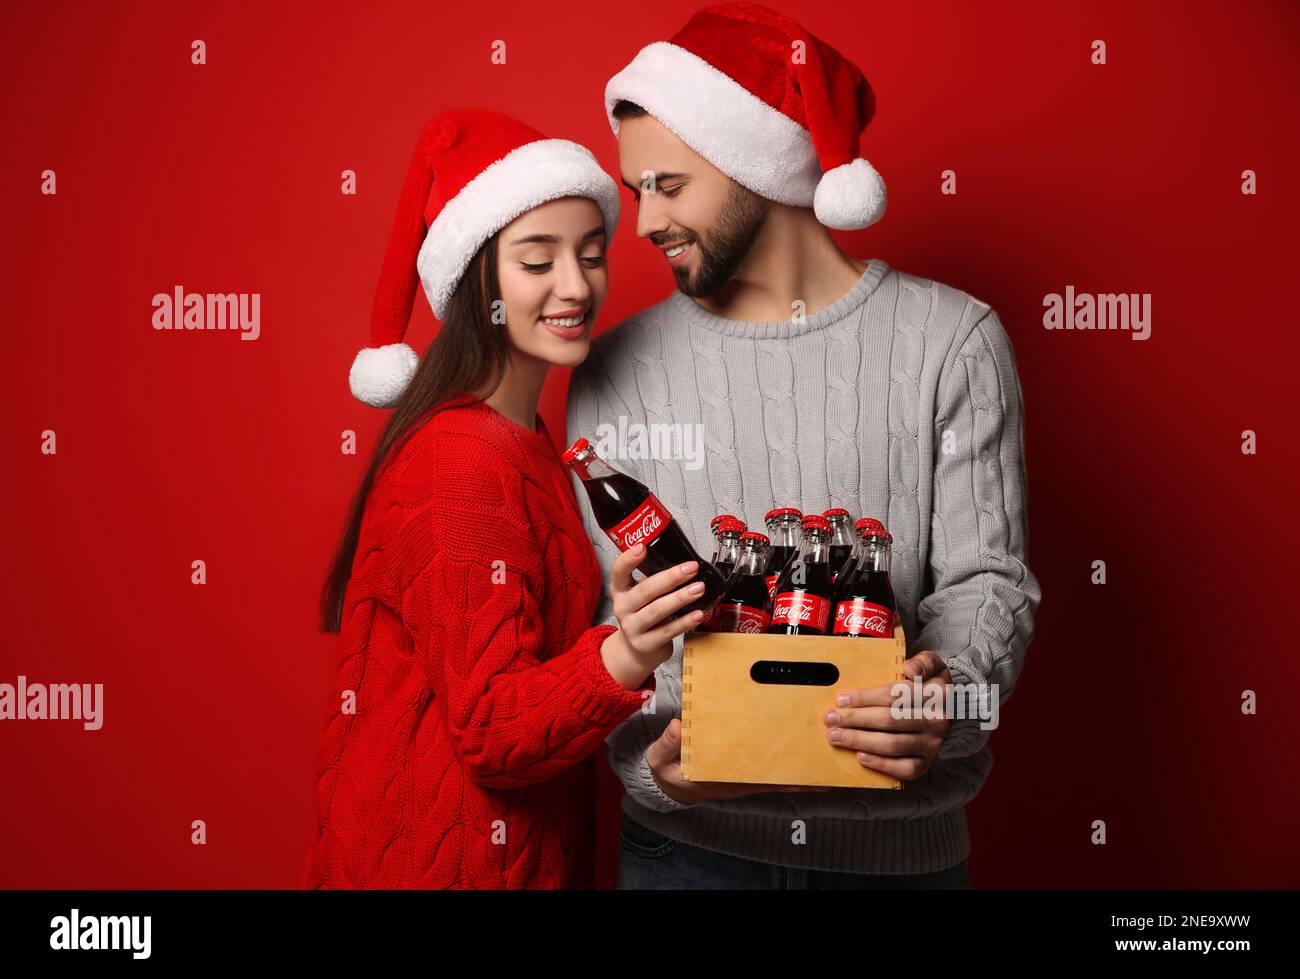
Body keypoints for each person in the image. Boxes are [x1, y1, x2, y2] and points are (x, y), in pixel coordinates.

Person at [566, 2, 1042, 889]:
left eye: (669, 185)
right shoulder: (616, 370)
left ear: (754, 163)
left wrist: (952, 696)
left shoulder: (952, 341)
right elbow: (608, 617)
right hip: (686, 851)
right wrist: (655, 769)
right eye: (637, 192)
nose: (643, 224)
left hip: (899, 860)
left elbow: (989, 582)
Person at [299, 108, 708, 889]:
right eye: (536, 259)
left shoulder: (531, 448)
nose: (575, 284)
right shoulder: (462, 460)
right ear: (475, 278)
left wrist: (619, 620)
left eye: (592, 256)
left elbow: (525, 664)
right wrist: (627, 651)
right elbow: (491, 725)